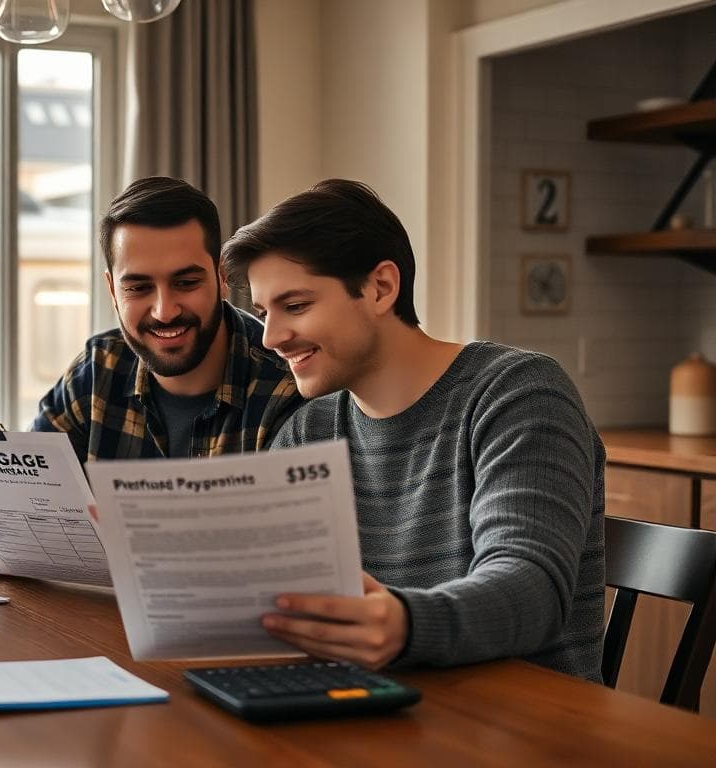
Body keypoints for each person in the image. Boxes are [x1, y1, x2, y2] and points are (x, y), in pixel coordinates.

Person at [220, 178, 604, 679]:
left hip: (517, 715)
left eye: (295, 307)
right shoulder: (308, 433)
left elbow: (532, 590)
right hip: (371, 704)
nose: (271, 337)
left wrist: (404, 625)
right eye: (263, 313)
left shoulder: (518, 393)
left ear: (381, 288)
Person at [0, 176, 302, 565]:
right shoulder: (98, 371)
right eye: (138, 288)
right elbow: (28, 518)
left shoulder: (286, 383)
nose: (164, 311)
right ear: (113, 290)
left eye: (186, 282)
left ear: (221, 277)